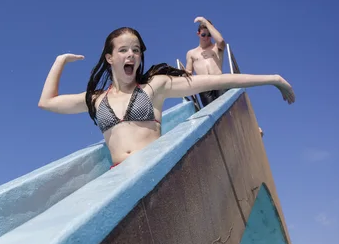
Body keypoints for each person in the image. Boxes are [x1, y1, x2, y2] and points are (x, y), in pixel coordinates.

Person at [38, 27, 294, 168]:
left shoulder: (154, 87)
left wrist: (272, 79)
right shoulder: (96, 99)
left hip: (155, 171)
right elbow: (47, 102)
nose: (131, 55)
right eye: (124, 50)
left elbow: (219, 80)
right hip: (117, 178)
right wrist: (60, 61)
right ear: (109, 57)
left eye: (136, 50)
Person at [185, 17, 227, 107]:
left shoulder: (216, 47)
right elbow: (189, 73)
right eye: (203, 35)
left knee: (224, 109)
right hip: (204, 87)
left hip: (219, 81)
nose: (206, 38)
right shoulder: (191, 53)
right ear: (198, 34)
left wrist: (206, 22)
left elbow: (221, 41)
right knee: (211, 113)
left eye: (209, 35)